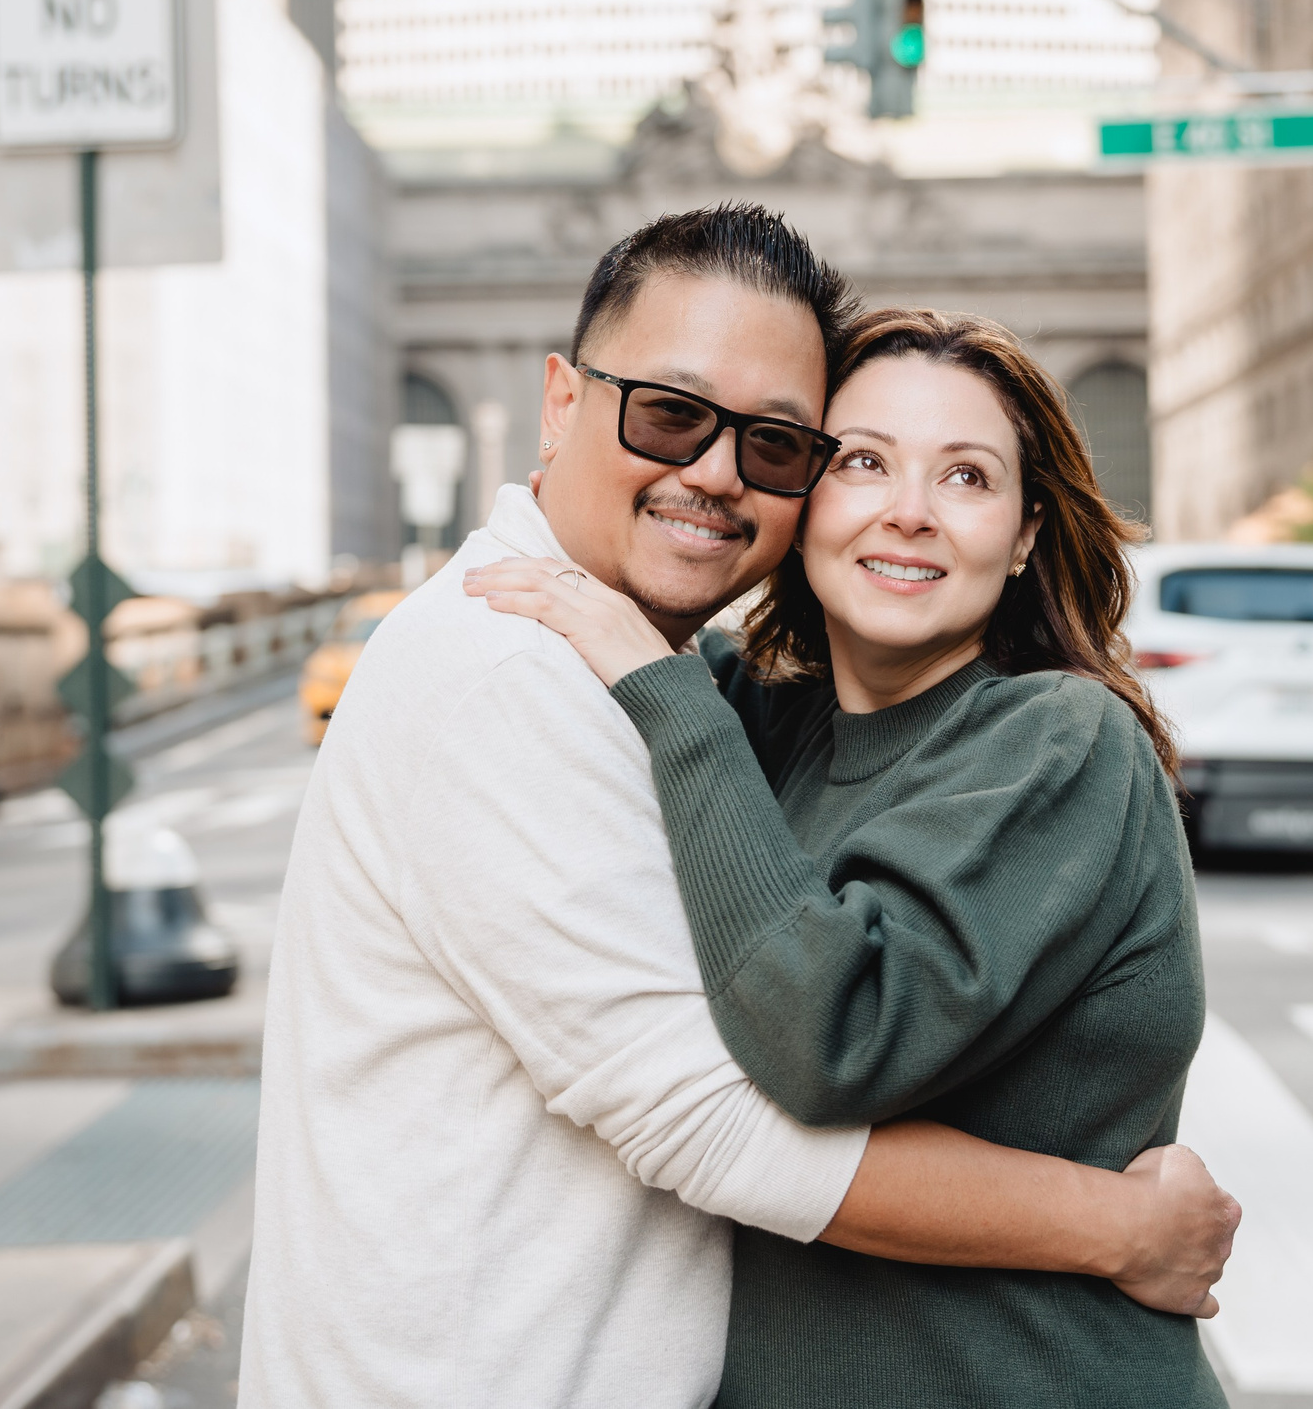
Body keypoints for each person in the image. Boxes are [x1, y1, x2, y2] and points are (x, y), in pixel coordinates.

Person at [239, 206, 1238, 1409]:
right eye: (669, 412)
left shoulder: (1033, 737)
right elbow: (714, 1119)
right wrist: (1120, 1227)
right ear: (562, 403)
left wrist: (667, 680)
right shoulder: (534, 675)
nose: (713, 473)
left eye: (774, 444)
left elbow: (816, 1038)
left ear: (1027, 531)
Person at [469, 309, 1221, 1406]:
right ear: (804, 497)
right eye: (863, 463)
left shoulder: (1062, 741)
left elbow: (839, 1036)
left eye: (965, 478)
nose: (907, 514)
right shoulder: (768, 724)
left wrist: (666, 691)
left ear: (1022, 534)